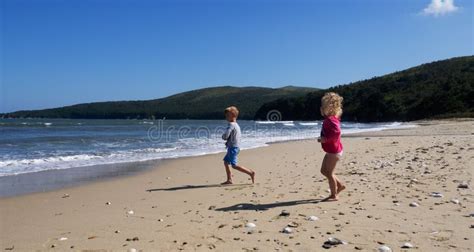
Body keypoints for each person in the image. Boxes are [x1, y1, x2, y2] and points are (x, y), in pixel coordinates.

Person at [318, 92, 346, 201]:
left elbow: (337, 132)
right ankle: (340, 185)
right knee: (324, 171)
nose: (320, 109)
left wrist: (325, 139)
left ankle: (334, 195)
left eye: (322, 106)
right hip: (332, 151)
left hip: (334, 152)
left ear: (327, 108)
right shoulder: (330, 119)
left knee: (329, 173)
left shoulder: (330, 120)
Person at [220, 106, 255, 185]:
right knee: (226, 162)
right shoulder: (236, 125)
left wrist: (223, 137)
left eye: (227, 116)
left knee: (234, 165)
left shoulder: (231, 125)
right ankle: (229, 179)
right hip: (235, 147)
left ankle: (250, 172)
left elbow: (226, 135)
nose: (226, 118)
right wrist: (228, 142)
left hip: (233, 148)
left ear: (233, 116)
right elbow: (234, 137)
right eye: (226, 116)